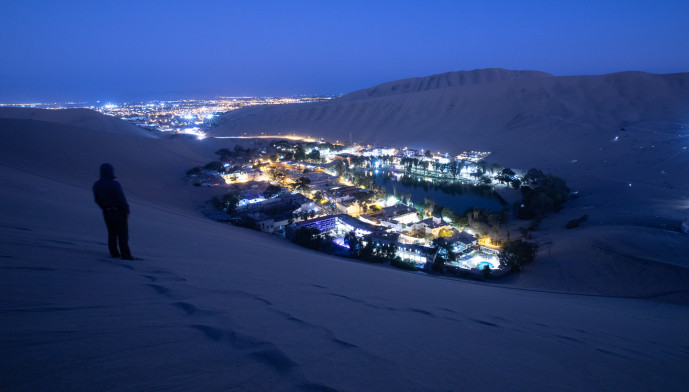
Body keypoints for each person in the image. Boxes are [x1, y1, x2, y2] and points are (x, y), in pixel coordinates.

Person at [93, 163, 134, 260]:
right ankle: (126, 255)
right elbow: (121, 199)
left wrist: (105, 208)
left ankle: (114, 253)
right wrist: (126, 211)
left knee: (112, 233)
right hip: (118, 212)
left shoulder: (96, 185)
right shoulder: (115, 184)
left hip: (106, 213)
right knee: (122, 234)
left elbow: (97, 200)